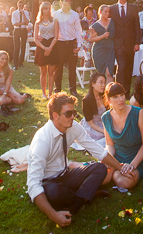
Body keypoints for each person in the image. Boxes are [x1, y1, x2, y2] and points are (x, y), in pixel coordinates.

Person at [27, 93, 124, 227]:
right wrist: (54, 216)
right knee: (55, 194)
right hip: (48, 182)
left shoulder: (73, 126)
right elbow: (33, 184)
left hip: (66, 175)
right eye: (68, 113)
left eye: (74, 112)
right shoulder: (42, 140)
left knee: (100, 168)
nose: (73, 116)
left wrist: (121, 168)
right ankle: (87, 195)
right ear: (55, 115)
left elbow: (96, 149)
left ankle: (76, 204)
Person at [102, 82, 143, 189]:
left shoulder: (138, 113)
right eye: (115, 97)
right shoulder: (105, 117)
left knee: (125, 182)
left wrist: (132, 165)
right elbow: (109, 144)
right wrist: (108, 159)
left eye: (122, 95)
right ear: (109, 100)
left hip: (136, 159)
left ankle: (116, 174)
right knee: (99, 177)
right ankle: (115, 172)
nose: (121, 99)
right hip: (117, 159)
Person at [109, 0, 141, 97]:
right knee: (121, 67)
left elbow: (137, 26)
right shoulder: (111, 9)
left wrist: (137, 42)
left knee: (128, 67)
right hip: (117, 43)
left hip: (130, 43)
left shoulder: (133, 8)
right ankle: (118, 90)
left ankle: (126, 92)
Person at [53, 0, 82, 95]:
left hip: (71, 43)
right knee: (58, 67)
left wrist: (79, 44)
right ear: (61, 3)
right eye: (66, 1)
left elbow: (78, 30)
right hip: (60, 44)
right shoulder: (56, 14)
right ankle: (57, 89)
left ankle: (73, 90)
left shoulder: (74, 15)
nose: (68, 3)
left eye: (70, 1)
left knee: (72, 68)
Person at [0, 50, 27, 114]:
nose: (4, 61)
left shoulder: (9, 69)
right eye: (2, 59)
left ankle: (23, 96)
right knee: (4, 101)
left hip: (7, 89)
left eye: (6, 59)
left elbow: (8, 84)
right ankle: (16, 96)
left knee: (21, 101)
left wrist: (7, 93)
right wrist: (9, 95)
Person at [34, 1, 59, 99]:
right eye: (45, 8)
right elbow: (35, 39)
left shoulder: (54, 21)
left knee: (51, 72)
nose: (48, 10)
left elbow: (56, 36)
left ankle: (50, 94)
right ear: (42, 10)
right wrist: (44, 48)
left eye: (49, 8)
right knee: (43, 72)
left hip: (52, 45)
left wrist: (50, 48)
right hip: (41, 47)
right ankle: (44, 93)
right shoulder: (38, 23)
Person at [90, 5, 116, 83]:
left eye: (108, 12)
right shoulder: (95, 25)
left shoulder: (112, 21)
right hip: (99, 50)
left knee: (109, 73)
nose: (107, 13)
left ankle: (110, 93)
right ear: (100, 12)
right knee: (101, 74)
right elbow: (91, 39)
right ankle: (101, 92)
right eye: (105, 11)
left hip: (110, 49)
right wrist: (103, 36)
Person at [80, 73, 108, 144]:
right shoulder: (86, 100)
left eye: (104, 83)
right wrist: (102, 130)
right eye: (101, 82)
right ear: (93, 84)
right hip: (92, 126)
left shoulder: (105, 97)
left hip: (103, 123)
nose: (103, 85)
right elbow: (91, 123)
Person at [11, 0, 32, 68]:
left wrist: (23, 14)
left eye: (22, 6)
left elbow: (27, 22)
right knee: (16, 47)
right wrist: (22, 23)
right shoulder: (14, 13)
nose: (21, 7)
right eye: (20, 5)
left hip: (23, 30)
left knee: (23, 47)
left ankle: (21, 63)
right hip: (17, 30)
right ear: (17, 5)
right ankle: (15, 63)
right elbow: (14, 23)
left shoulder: (26, 12)